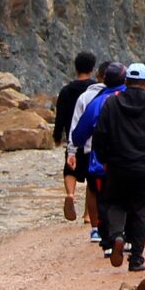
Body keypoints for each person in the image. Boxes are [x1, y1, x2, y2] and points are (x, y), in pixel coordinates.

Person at [90, 61, 145, 271]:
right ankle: (136, 258)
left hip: (118, 165)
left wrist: (103, 158)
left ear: (126, 81)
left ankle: (117, 235)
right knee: (143, 210)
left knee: (115, 203)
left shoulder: (111, 103)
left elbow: (100, 134)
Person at [68, 62, 126, 244]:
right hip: (129, 154)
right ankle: (122, 232)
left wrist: (72, 149)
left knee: (95, 192)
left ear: (101, 77)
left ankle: (98, 229)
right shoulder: (133, 96)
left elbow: (78, 130)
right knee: (123, 193)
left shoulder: (91, 99)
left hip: (94, 154)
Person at [52, 52, 96, 221]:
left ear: (75, 67)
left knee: (69, 168)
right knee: (91, 176)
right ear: (92, 68)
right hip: (91, 138)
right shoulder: (95, 89)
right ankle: (87, 214)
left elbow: (60, 116)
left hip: (73, 137)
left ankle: (70, 194)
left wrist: (57, 135)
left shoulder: (66, 91)